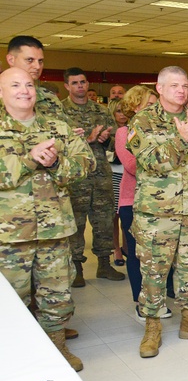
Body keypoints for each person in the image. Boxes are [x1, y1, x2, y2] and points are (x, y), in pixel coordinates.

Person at [0, 67, 95, 371]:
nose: (24, 90)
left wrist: (56, 163)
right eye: (15, 85)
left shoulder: (58, 127)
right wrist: (29, 160)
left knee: (57, 293)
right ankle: (14, 354)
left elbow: (86, 163)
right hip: (10, 234)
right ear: (2, 92)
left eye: (28, 84)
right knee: (11, 300)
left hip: (54, 228)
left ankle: (56, 346)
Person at [128, 66, 188, 358]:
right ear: (159, 89)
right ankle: (152, 326)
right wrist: (180, 139)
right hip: (156, 213)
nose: (181, 91)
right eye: (174, 86)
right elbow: (148, 162)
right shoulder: (142, 120)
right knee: (154, 271)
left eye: (185, 86)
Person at [62, 67, 124, 286]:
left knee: (104, 219)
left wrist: (106, 137)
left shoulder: (101, 110)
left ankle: (104, 263)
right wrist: (86, 140)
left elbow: (115, 138)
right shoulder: (60, 112)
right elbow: (58, 144)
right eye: (75, 83)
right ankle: (76, 266)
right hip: (75, 176)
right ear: (67, 86)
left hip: (100, 174)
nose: (80, 86)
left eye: (83, 82)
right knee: (76, 221)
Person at [116, 86, 168, 322]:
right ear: (135, 107)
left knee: (160, 255)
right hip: (133, 202)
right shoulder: (124, 132)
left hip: (162, 202)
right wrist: (163, 162)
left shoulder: (164, 130)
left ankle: (159, 299)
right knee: (138, 255)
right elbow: (132, 165)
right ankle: (141, 301)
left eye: (156, 104)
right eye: (149, 105)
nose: (155, 109)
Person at [5, 36, 67, 122]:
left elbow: (66, 128)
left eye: (40, 61)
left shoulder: (49, 97)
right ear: (11, 60)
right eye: (30, 60)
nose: (37, 66)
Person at [108, 98, 126, 266]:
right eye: (118, 111)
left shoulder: (134, 127)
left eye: (124, 111)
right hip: (114, 173)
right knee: (114, 215)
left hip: (129, 175)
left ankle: (126, 245)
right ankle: (116, 249)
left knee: (127, 214)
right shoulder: (109, 131)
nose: (122, 115)